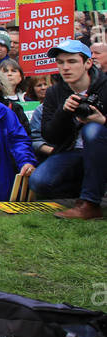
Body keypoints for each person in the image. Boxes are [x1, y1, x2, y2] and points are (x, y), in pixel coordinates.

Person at [28, 39, 107, 218]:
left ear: (87, 63)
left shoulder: (105, 86)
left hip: (102, 149)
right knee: (40, 182)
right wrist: (63, 112)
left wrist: (103, 121)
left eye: (71, 61)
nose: (65, 68)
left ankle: (90, 203)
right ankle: (87, 190)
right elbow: (49, 136)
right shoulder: (54, 93)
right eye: (60, 62)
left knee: (92, 130)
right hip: (72, 152)